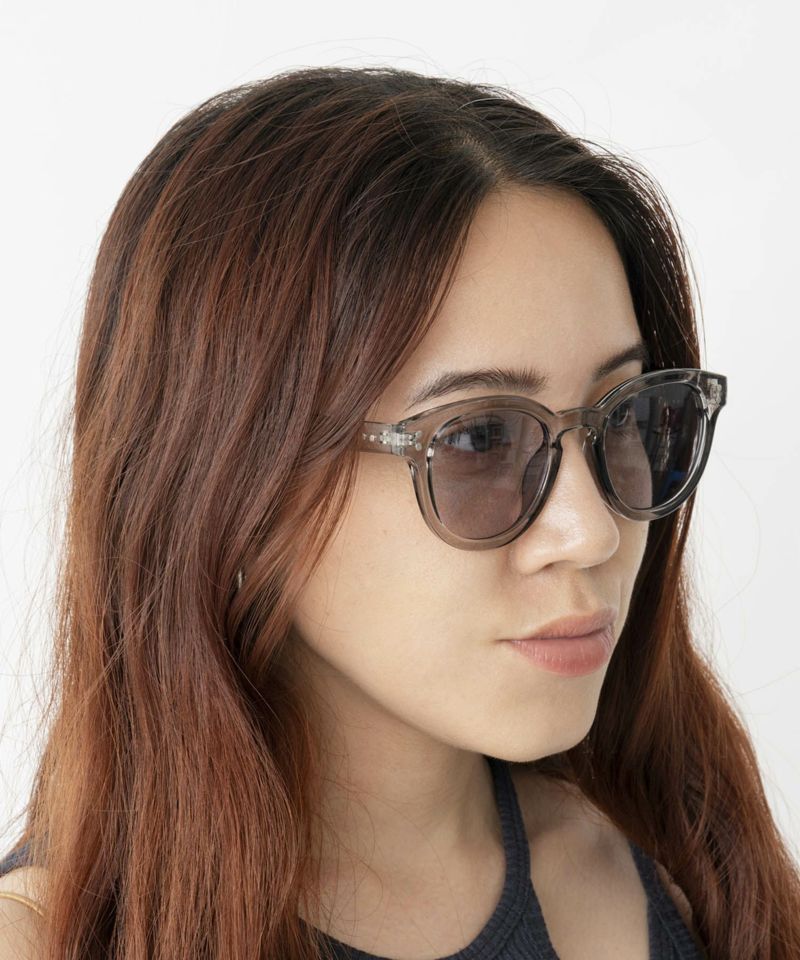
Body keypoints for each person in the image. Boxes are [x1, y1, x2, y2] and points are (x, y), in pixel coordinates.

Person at [0, 65, 795, 960]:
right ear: (231, 483)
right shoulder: (46, 942)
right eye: (479, 438)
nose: (593, 531)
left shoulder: (677, 879)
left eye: (625, 416)